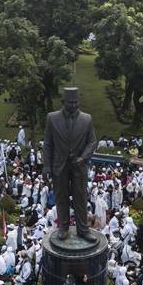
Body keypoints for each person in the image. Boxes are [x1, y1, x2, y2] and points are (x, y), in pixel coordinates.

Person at [42, 87, 97, 242]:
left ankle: (83, 229)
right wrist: (46, 166)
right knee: (61, 198)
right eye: (70, 102)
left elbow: (92, 141)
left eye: (75, 102)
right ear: (63, 102)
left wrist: (83, 157)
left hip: (79, 166)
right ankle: (63, 228)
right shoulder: (52, 118)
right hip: (59, 166)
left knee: (80, 198)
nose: (73, 105)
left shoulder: (87, 119)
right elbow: (48, 144)